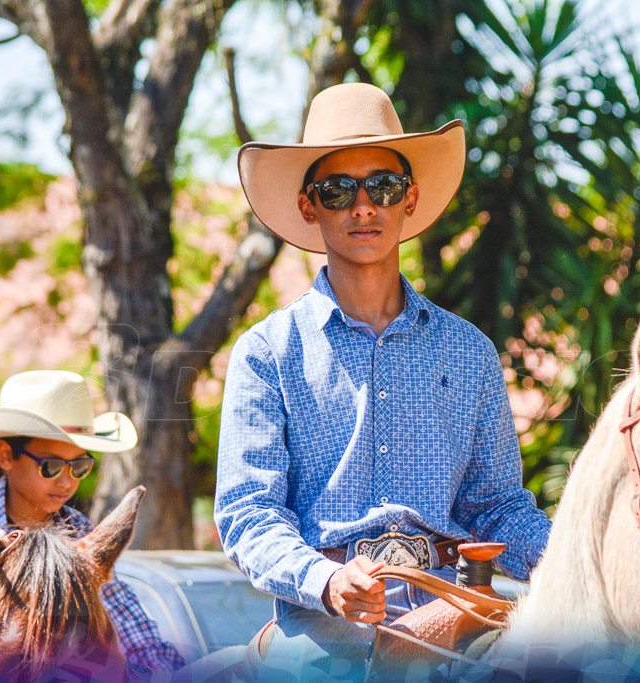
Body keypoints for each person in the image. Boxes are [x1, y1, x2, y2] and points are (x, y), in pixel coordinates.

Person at [214, 83, 552, 679]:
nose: (363, 206)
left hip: (456, 621)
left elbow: (497, 505)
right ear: (309, 206)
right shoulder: (266, 352)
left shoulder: (469, 352)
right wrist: (326, 580)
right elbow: (248, 513)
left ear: (410, 199)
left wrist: (571, 559)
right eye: (339, 190)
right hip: (322, 634)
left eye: (384, 187)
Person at [0, 370, 185, 678]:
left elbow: (130, 623)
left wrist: (169, 672)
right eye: (52, 466)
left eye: (79, 466)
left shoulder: (80, 532)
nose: (67, 481)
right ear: (6, 455)